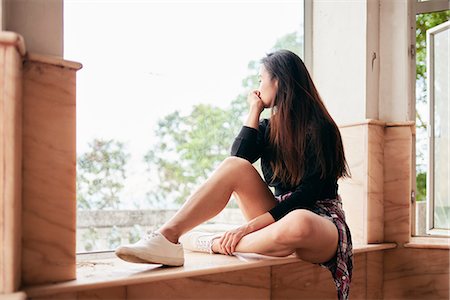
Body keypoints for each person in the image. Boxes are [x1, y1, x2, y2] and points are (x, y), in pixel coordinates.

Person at [115, 49, 353, 300]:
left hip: (319, 220)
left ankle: (214, 243)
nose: (258, 87)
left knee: (300, 222)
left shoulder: (322, 128)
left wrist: (247, 228)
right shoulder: (269, 128)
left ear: (278, 81)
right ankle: (167, 237)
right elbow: (240, 157)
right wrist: (254, 111)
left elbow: (307, 195)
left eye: (261, 79)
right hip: (275, 217)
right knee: (234, 166)